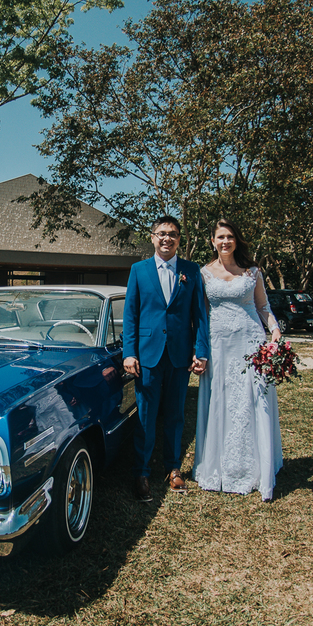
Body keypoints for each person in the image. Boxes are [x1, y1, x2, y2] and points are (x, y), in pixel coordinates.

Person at [193, 218, 285, 501]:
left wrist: (275, 329)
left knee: (251, 401)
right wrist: (199, 350)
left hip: (250, 343)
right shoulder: (203, 273)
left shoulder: (252, 271)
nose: (225, 242)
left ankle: (256, 466)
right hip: (218, 346)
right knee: (221, 400)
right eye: (220, 237)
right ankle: (219, 466)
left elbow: (263, 306)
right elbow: (201, 315)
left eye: (230, 237)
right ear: (212, 241)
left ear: (237, 240)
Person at [122, 215, 211, 501]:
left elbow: (200, 315)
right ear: (152, 237)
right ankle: (141, 472)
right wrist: (129, 352)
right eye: (161, 233)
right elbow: (130, 314)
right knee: (145, 416)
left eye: (172, 234)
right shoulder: (138, 270)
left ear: (179, 240)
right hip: (147, 355)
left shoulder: (191, 271)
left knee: (175, 414)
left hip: (179, 355)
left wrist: (201, 351)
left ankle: (173, 468)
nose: (166, 238)